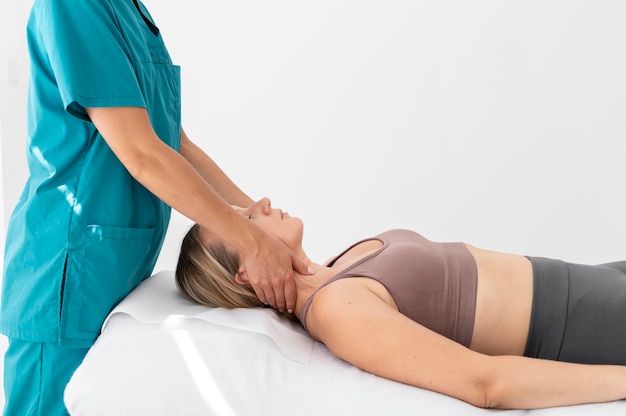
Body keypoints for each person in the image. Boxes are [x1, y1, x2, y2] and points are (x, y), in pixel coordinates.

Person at [0, 1, 312, 415]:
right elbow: (142, 154)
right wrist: (251, 241)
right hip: (66, 273)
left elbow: (176, 145)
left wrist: (253, 217)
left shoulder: (132, 11)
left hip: (113, 274)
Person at [176, 197, 626, 410]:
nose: (262, 202)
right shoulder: (336, 311)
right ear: (244, 273)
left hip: (594, 279)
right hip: (582, 321)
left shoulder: (331, 269)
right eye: (247, 220)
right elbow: (486, 383)